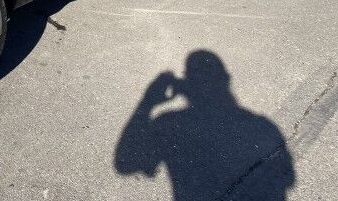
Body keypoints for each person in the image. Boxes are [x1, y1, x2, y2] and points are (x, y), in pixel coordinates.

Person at [114, 50, 295, 200]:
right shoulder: (263, 126)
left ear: (187, 84)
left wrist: (147, 102)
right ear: (225, 79)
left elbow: (125, 164)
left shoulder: (170, 123)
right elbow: (287, 178)